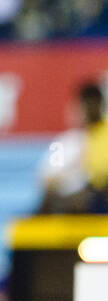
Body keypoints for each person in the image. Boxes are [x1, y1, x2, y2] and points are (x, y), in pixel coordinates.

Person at [35, 83, 104, 214]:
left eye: (93, 105)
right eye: (86, 106)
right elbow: (48, 179)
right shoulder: (64, 143)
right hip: (68, 201)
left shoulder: (102, 138)